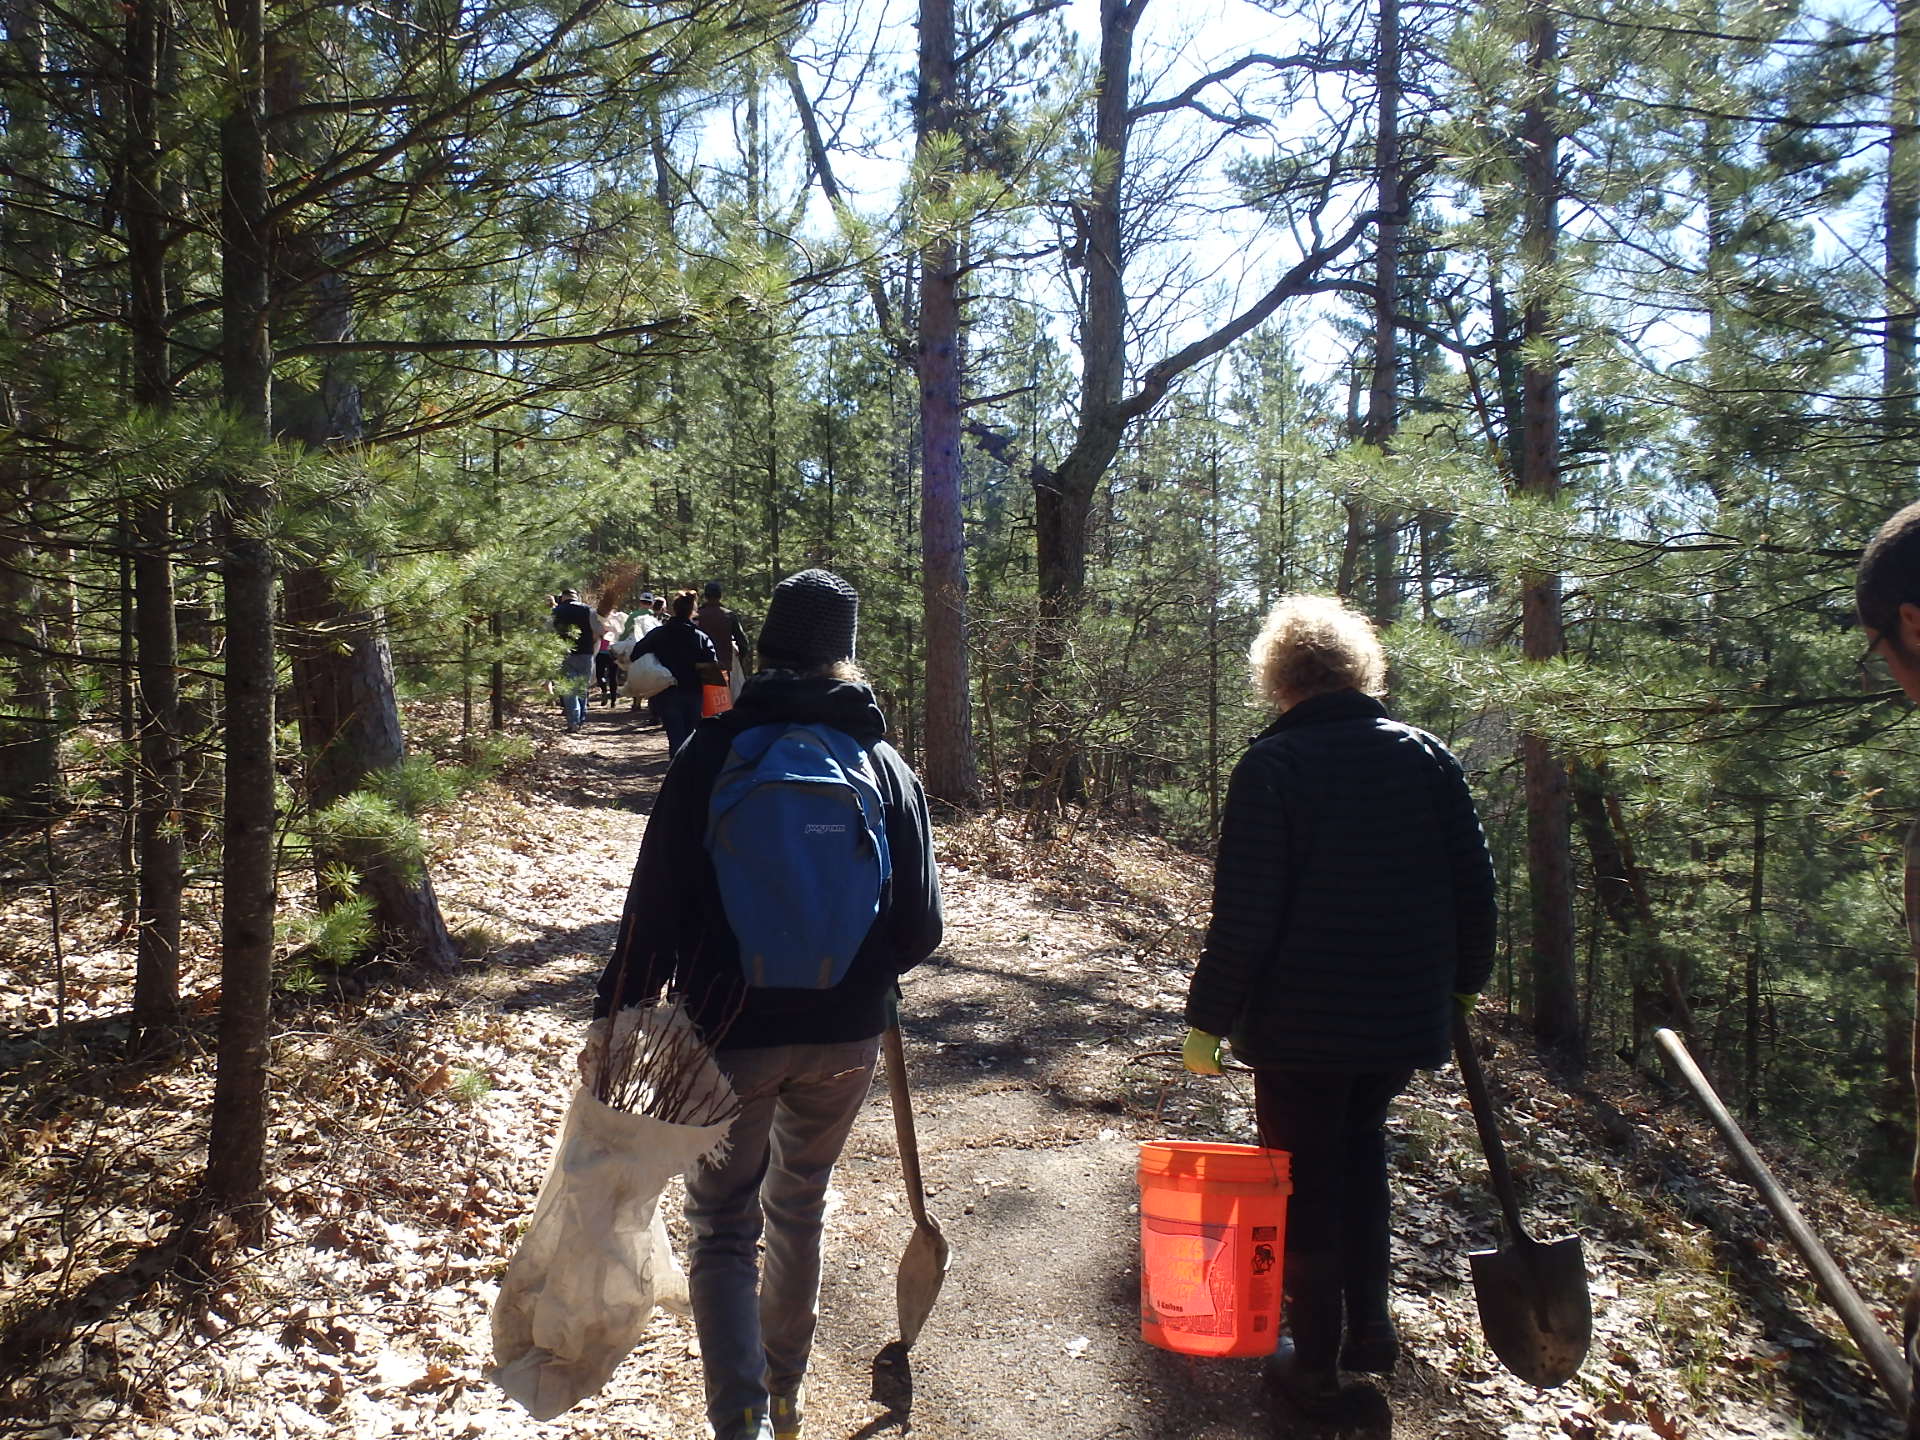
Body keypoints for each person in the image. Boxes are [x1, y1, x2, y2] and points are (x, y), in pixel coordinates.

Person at [593, 567, 944, 1440]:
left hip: (728, 1029)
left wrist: (620, 1020)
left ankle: (739, 1417)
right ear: (845, 659)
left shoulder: (711, 752)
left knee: (721, 1226)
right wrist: (855, 973)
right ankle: (786, 1392)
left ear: (764, 651)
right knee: (801, 1201)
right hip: (846, 1033)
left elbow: (654, 910)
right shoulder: (883, 763)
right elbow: (922, 926)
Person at [1180, 594, 1496, 1419]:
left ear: (1279, 677)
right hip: (1399, 1022)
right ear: (1358, 669)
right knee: (1359, 1158)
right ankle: (1371, 1331)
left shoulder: (1274, 767)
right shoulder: (1426, 756)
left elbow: (1245, 914)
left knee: (1305, 1184)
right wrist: (1462, 982)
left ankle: (1314, 1363)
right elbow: (1476, 892)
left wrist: (1206, 1020)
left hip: (1299, 1030)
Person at [628, 589, 719, 754]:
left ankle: (677, 771)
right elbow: (712, 667)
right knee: (691, 735)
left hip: (666, 692)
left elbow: (635, 654)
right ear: (692, 611)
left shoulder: (658, 634)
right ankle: (689, 773)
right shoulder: (700, 637)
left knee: (675, 736)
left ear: (673, 610)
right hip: (694, 692)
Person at [550, 587, 598, 734]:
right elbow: (598, 631)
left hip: (564, 653)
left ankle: (573, 721)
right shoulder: (589, 610)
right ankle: (581, 718)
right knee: (582, 687)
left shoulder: (556, 611)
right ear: (576, 597)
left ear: (563, 597)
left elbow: (549, 632)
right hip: (586, 653)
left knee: (569, 689)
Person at [697, 580, 754, 699]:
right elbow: (742, 642)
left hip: (700, 668)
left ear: (705, 596)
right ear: (720, 595)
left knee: (702, 703)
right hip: (722, 666)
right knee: (722, 702)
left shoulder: (697, 616)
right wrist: (740, 658)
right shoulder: (729, 615)